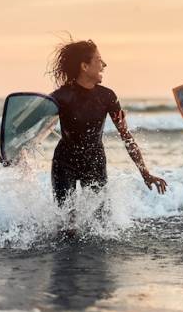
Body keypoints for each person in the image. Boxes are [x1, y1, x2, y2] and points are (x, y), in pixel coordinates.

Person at [48, 39, 167, 206]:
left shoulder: (107, 97)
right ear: (84, 66)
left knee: (99, 224)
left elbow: (126, 136)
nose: (104, 64)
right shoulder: (61, 97)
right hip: (65, 164)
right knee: (67, 227)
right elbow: (37, 128)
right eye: (98, 60)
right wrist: (13, 150)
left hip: (95, 162)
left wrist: (145, 173)